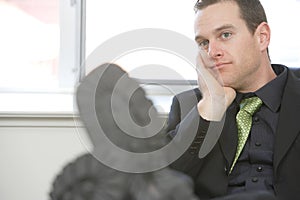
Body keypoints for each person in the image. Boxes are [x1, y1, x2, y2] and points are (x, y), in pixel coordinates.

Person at [166, 0, 300, 199]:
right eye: (204, 43)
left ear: (262, 37)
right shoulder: (190, 106)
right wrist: (211, 107)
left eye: (225, 35)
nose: (212, 52)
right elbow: (160, 184)